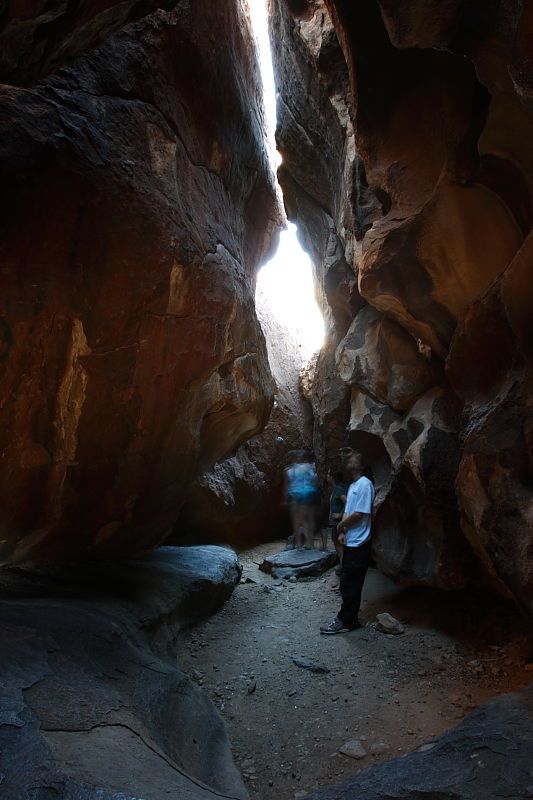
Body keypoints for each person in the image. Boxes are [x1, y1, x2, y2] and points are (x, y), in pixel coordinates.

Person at [320, 451, 374, 634]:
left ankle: (346, 620)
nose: (350, 460)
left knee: (352, 584)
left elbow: (359, 513)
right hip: (351, 540)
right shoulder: (353, 486)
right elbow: (348, 510)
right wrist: (343, 531)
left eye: (354, 458)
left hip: (360, 543)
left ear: (362, 465)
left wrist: (341, 525)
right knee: (347, 581)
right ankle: (350, 619)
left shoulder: (365, 485)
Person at [284, 450, 319, 549]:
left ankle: (300, 543)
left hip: (296, 494)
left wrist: (285, 499)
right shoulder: (310, 467)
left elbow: (287, 485)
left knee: (298, 520)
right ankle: (310, 543)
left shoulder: (289, 469)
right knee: (310, 519)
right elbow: (314, 480)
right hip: (310, 493)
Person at [326, 469, 348, 572]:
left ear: (332, 477)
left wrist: (341, 514)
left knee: (339, 545)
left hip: (338, 522)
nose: (326, 476)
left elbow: (347, 502)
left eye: (328, 474)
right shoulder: (336, 488)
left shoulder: (339, 489)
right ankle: (342, 564)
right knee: (337, 543)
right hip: (335, 522)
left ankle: (343, 566)